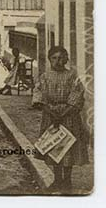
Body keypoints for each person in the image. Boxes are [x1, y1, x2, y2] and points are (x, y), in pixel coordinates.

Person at [32, 46, 89, 193]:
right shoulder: (45, 77)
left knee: (67, 148)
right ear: (49, 59)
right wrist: (50, 112)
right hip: (50, 117)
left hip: (69, 117)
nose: (58, 61)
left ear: (66, 59)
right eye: (54, 58)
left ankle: (67, 180)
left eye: (61, 58)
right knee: (53, 148)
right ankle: (57, 180)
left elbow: (76, 97)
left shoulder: (72, 76)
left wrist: (62, 115)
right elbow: (39, 96)